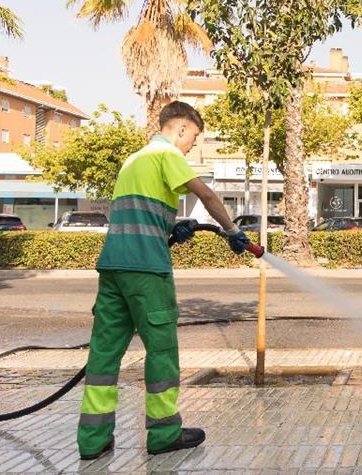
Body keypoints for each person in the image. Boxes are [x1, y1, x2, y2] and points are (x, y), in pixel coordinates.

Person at [77, 101, 261, 460]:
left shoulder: (133, 161)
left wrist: (171, 228)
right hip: (147, 270)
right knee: (161, 351)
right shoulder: (167, 154)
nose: (193, 144)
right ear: (179, 129)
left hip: (113, 267)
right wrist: (233, 230)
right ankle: (163, 434)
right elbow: (206, 195)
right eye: (193, 136)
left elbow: (138, 216)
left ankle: (92, 440)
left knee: (104, 354)